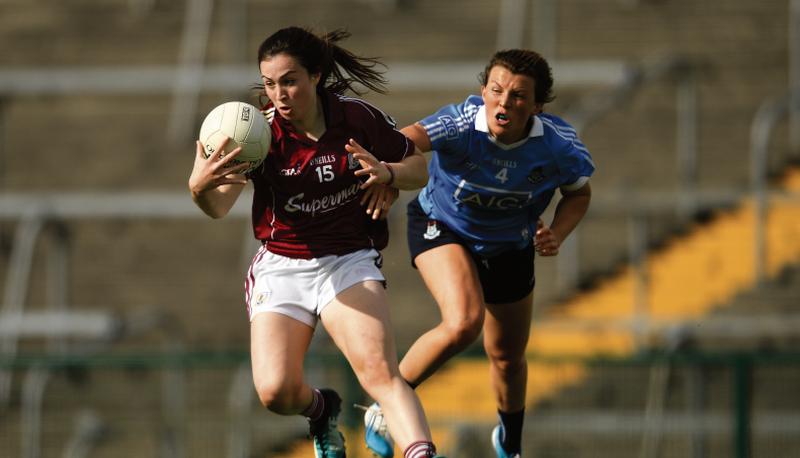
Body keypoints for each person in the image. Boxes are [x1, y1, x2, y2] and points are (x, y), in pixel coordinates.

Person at [188, 26, 444, 458]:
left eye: (289, 80)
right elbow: (218, 207)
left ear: (317, 76)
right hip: (283, 264)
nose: (278, 95)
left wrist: (389, 174)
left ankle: (422, 452)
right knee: (276, 392)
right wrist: (199, 187)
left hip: (348, 261)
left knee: (379, 373)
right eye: (269, 84)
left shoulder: (357, 118)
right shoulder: (260, 136)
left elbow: (418, 167)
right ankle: (322, 409)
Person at [363, 49, 594, 458]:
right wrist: (390, 173)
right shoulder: (458, 123)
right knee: (463, 322)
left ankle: (510, 443)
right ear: (483, 91)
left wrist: (556, 232)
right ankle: (386, 406)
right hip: (441, 226)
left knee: (507, 356)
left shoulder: (558, 146)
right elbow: (406, 139)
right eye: (497, 90)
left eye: (519, 96)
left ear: (537, 106)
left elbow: (579, 194)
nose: (504, 102)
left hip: (511, 245)